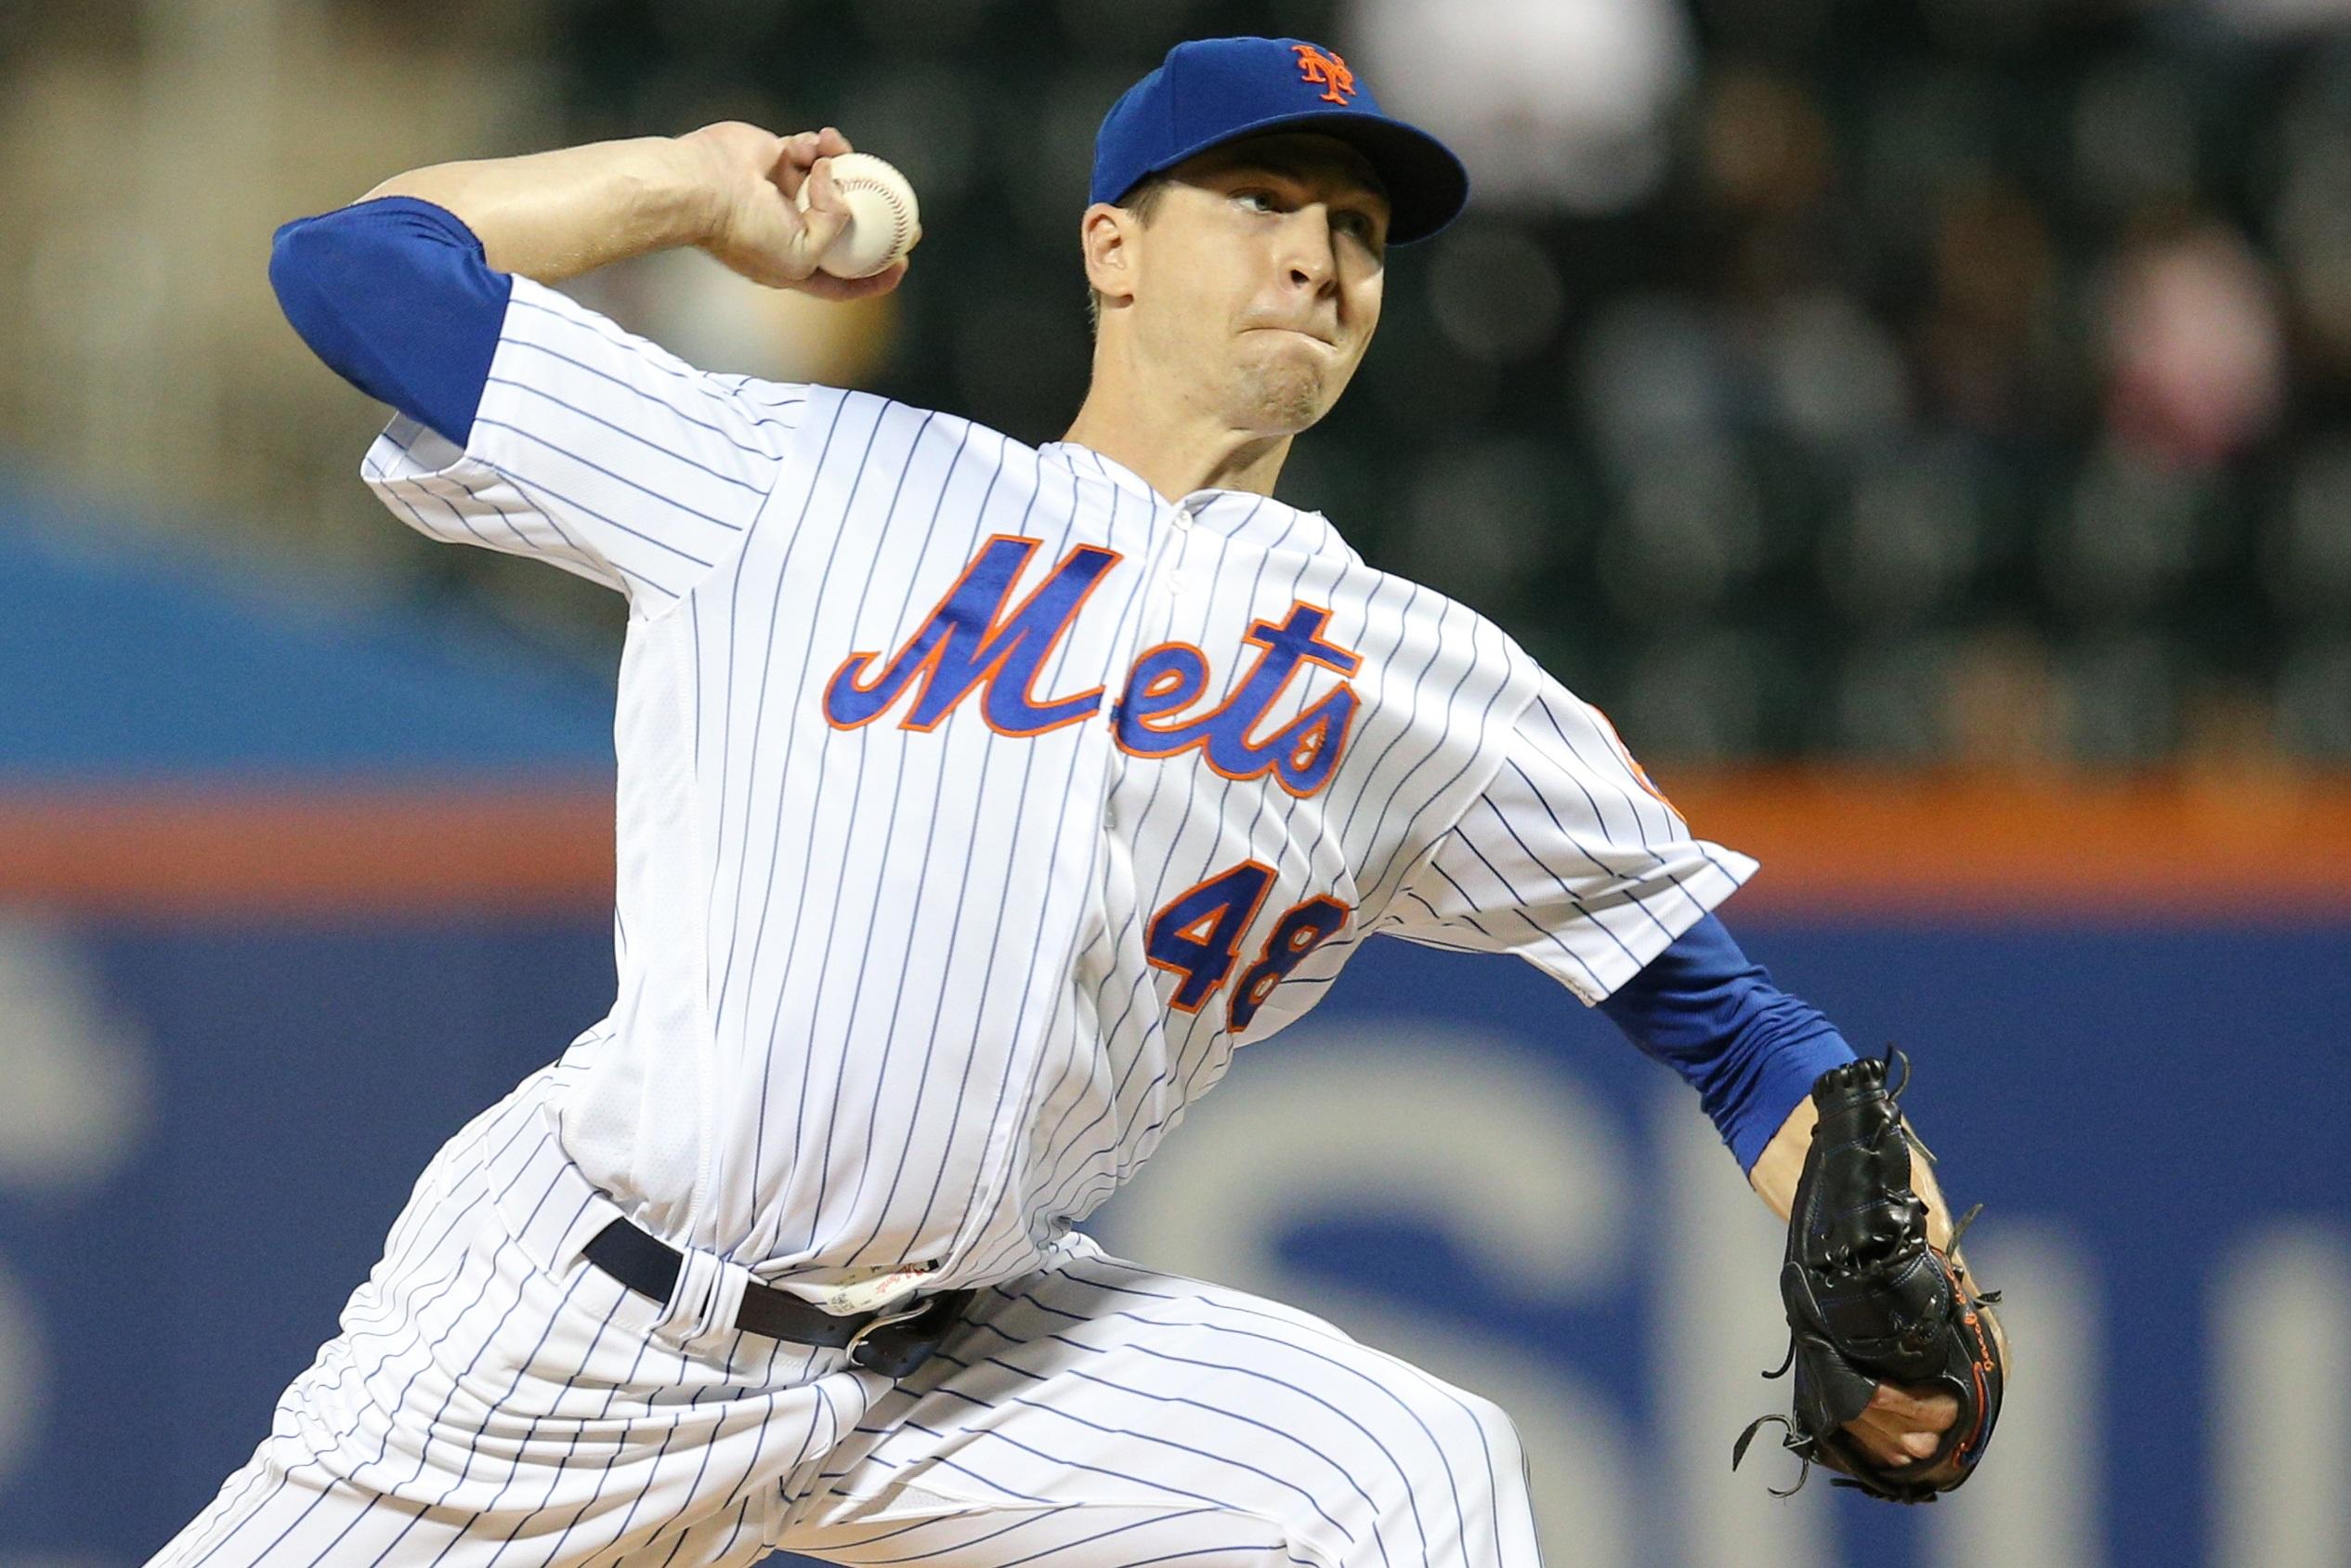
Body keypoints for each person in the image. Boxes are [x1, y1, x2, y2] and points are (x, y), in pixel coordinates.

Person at [152, 35, 1994, 1568]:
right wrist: (694, 186)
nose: (1320, 252)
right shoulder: (800, 473)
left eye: (1356, 226)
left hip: (968, 1365)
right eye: (1262, 200)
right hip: (594, 1322)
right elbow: (359, 272)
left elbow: (1743, 1034)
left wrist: (1930, 1283)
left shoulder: (1416, 677)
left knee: (1406, 1479)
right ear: (1113, 248)